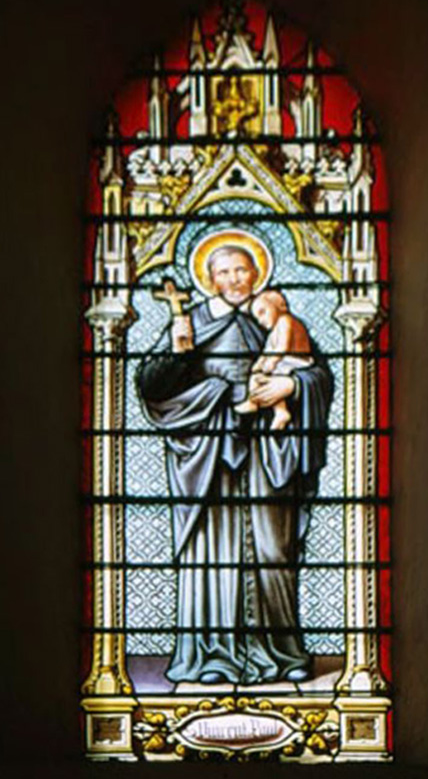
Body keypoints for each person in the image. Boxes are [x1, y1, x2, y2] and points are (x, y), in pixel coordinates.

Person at [136, 243, 333, 685]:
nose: (234, 279)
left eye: (242, 270)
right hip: (209, 455)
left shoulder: (272, 318)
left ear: (257, 273)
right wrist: (181, 353)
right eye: (223, 272)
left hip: (268, 452)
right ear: (209, 279)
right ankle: (213, 656)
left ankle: (281, 651)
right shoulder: (193, 322)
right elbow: (150, 384)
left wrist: (291, 386)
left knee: (272, 549)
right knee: (213, 552)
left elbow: (319, 374)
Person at [235, 289, 315, 430]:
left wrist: (272, 361)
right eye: (257, 318)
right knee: (257, 376)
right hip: (285, 361)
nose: (260, 320)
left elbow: (282, 347)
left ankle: (280, 411)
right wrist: (259, 364)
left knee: (273, 373)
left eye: (262, 312)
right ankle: (255, 401)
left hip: (297, 360)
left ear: (279, 306)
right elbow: (268, 351)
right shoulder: (273, 331)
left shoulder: (285, 320)